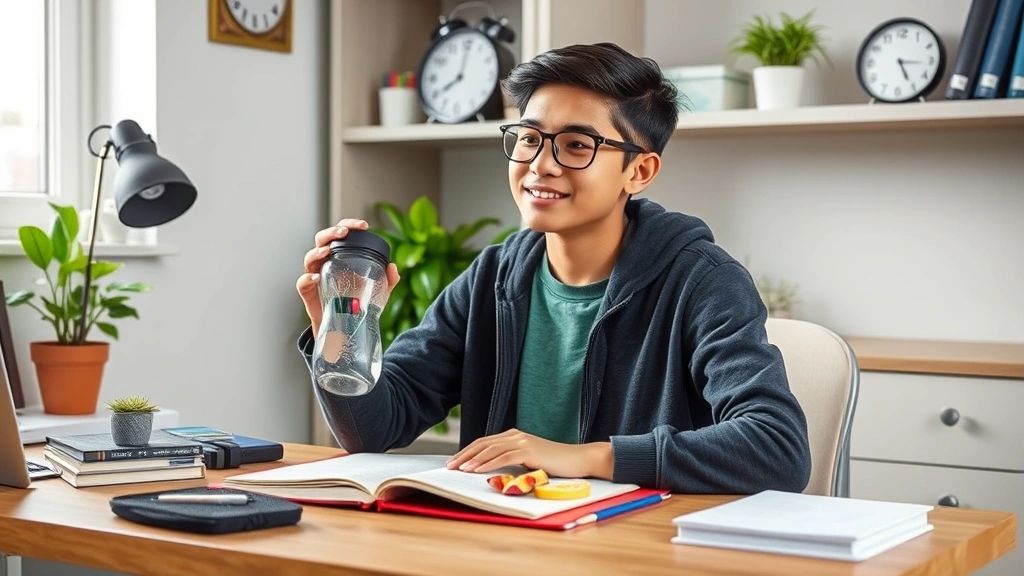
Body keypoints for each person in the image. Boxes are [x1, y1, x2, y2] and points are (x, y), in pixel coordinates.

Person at [296, 43, 811, 494]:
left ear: (639, 170)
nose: (541, 164)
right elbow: (374, 430)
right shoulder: (494, 275)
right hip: (511, 540)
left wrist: (585, 457)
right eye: (528, 137)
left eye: (577, 145)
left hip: (638, 549)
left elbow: (777, 447)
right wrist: (339, 331)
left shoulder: (701, 280)